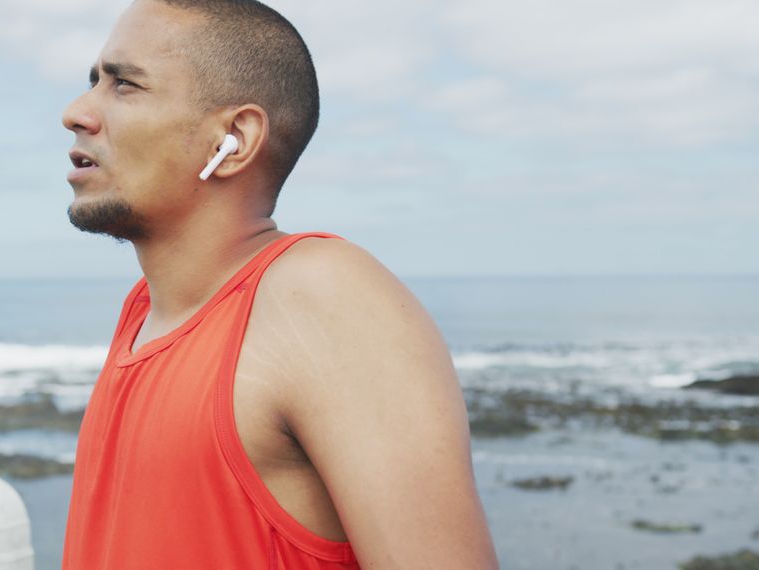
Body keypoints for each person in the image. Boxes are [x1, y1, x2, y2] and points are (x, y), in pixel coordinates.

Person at [59, 0, 499, 568]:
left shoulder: (323, 298)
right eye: (93, 81)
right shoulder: (144, 312)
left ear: (235, 139)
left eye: (125, 85)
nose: (77, 112)